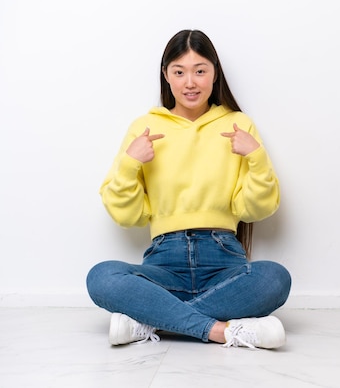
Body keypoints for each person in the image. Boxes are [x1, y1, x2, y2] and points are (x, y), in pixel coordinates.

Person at [86, 29, 291, 349]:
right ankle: (224, 331)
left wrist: (256, 157)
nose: (190, 82)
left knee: (275, 278)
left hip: (224, 261)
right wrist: (130, 163)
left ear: (214, 74)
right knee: (101, 277)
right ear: (166, 75)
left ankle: (151, 321)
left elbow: (256, 209)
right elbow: (127, 216)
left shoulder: (238, 124)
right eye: (179, 72)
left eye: (200, 71)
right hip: (163, 263)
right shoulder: (144, 127)